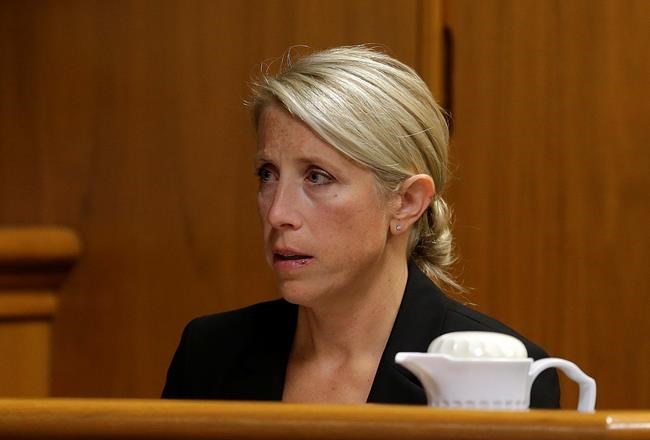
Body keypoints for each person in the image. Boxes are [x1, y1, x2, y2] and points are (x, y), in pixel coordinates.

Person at [162, 45, 560, 407]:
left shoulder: (508, 376)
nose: (277, 213)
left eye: (317, 177)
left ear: (407, 202)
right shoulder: (209, 353)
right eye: (267, 174)